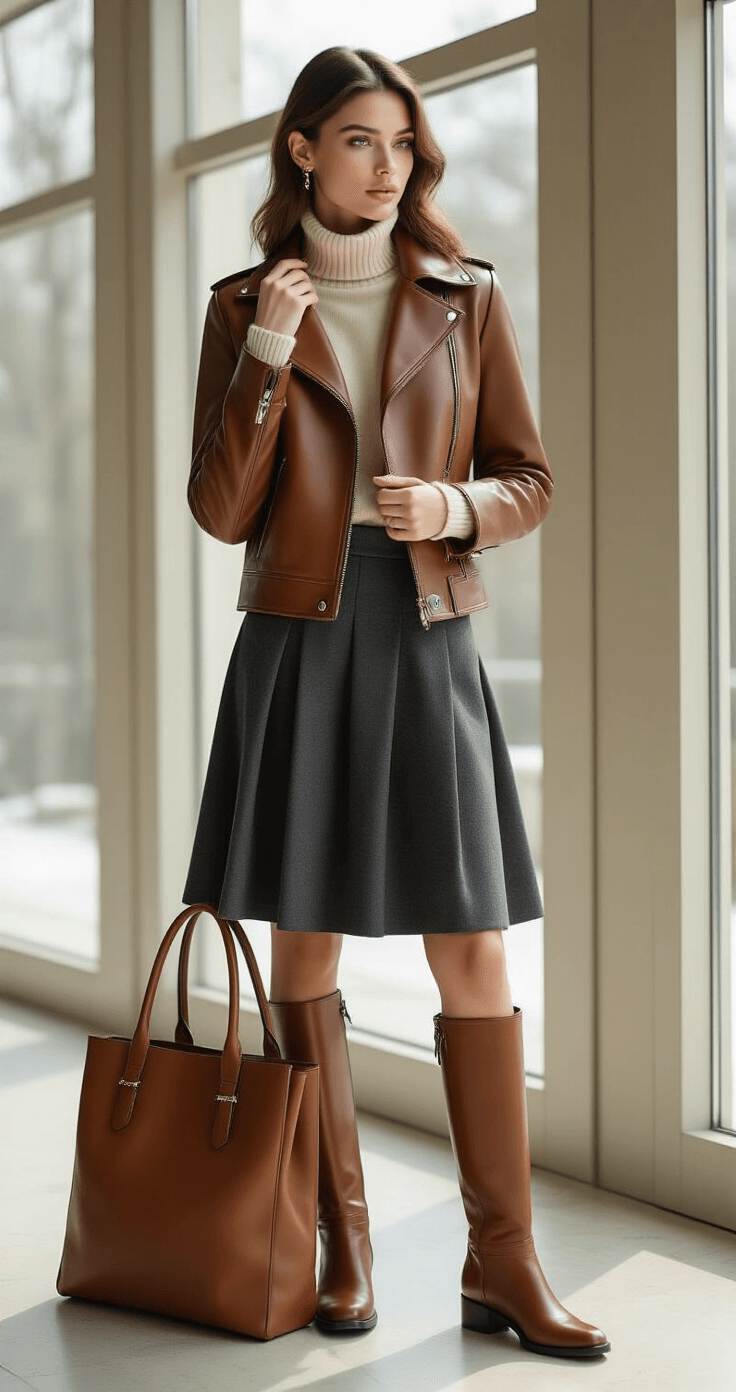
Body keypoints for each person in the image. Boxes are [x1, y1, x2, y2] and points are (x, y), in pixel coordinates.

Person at [182, 45, 610, 1360]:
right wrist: (267, 350)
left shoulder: (465, 297)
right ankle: (340, 1245)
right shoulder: (245, 301)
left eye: (405, 146)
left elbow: (529, 476)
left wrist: (458, 507)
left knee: (471, 947)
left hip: (427, 634)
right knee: (305, 951)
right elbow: (219, 511)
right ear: (303, 148)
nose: (392, 166)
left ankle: (505, 1263)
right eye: (363, 141)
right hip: (300, 637)